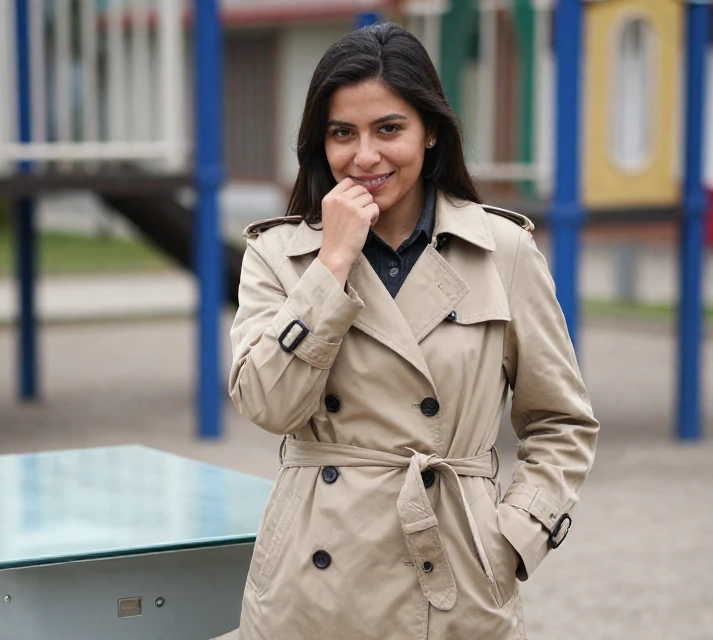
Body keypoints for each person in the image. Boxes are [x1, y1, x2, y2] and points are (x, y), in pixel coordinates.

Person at [227, 22, 598, 639]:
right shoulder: (280, 255)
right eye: (342, 133)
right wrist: (331, 264)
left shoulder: (500, 250)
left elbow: (562, 422)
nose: (364, 156)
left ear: (431, 133)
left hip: (453, 574)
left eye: (388, 129)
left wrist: (513, 537)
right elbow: (267, 404)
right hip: (310, 587)